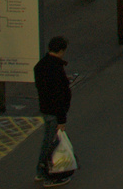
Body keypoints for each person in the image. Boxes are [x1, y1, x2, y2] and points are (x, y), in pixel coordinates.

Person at [33, 35, 73, 184]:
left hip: (45, 109)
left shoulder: (40, 65)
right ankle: (48, 175)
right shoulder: (55, 69)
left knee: (48, 141)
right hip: (54, 112)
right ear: (61, 51)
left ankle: (40, 171)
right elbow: (58, 96)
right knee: (52, 144)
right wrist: (62, 119)